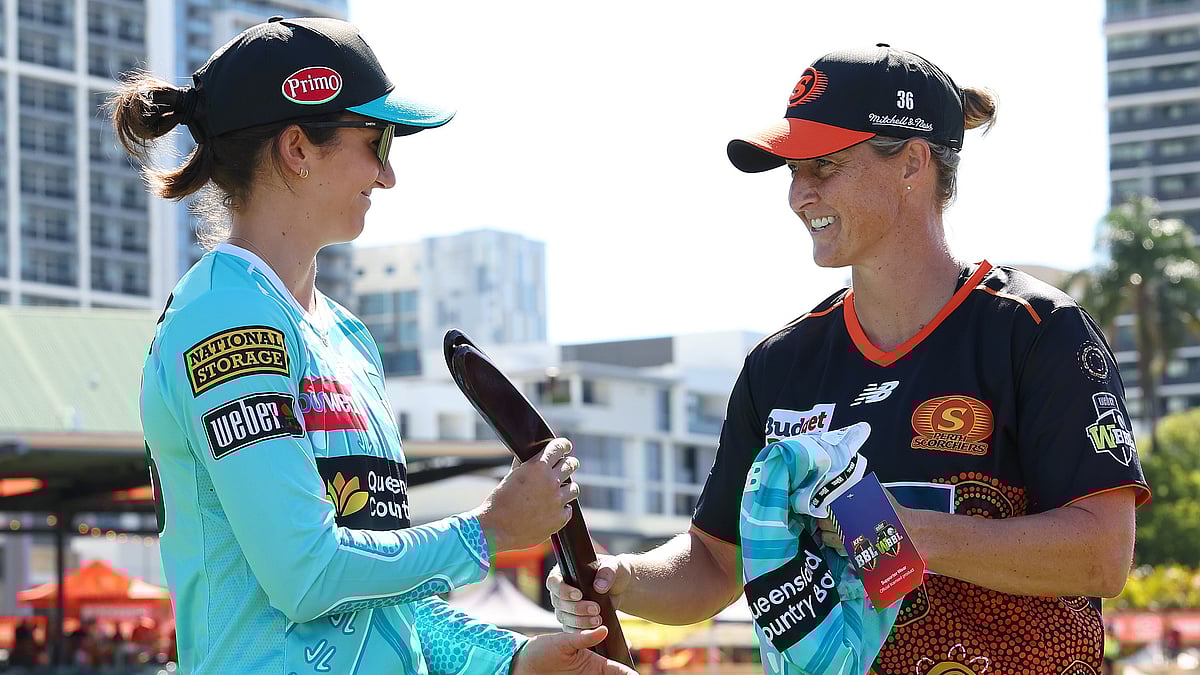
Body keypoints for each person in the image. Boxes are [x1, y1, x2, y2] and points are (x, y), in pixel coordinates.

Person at [547, 44, 1151, 674]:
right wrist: (621, 577)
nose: (798, 195)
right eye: (791, 172)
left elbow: (1102, 554)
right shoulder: (778, 366)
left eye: (825, 168)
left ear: (913, 161)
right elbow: (712, 565)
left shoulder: (1037, 333)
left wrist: (897, 532)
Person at [117, 15, 634, 675]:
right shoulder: (224, 315)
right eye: (378, 140)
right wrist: (488, 531)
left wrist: (514, 659)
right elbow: (306, 574)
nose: (388, 176)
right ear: (299, 149)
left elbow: (385, 591)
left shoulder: (347, 336)